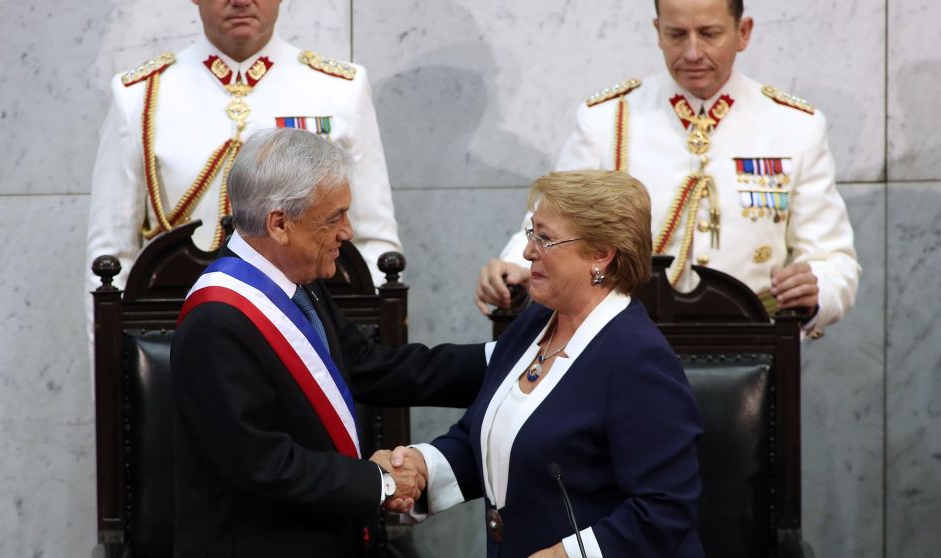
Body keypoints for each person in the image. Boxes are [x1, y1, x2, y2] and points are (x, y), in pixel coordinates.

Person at [171, 128, 484, 557]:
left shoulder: (301, 284)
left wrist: (503, 360)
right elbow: (261, 464)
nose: (348, 232)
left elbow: (373, 367)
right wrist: (380, 481)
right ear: (279, 223)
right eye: (333, 217)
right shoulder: (217, 318)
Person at [476, 0, 859, 339]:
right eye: (677, 34)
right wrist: (514, 269)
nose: (692, 52)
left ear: (743, 33)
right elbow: (550, 223)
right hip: (618, 342)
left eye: (709, 34)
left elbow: (834, 260)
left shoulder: (795, 126)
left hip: (751, 347)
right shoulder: (608, 119)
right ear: (658, 32)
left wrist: (815, 290)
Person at [385, 170, 704, 557]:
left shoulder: (638, 359)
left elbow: (665, 509)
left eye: (546, 238)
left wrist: (566, 555)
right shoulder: (536, 322)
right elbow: (484, 439)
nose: (527, 251)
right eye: (530, 233)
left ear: (602, 254)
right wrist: (420, 468)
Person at [86, 0, 400, 299]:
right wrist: (112, 355)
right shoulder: (140, 96)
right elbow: (110, 259)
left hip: (308, 327)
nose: (240, 1)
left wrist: (362, 347)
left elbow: (375, 244)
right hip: (182, 331)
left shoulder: (339, 90)